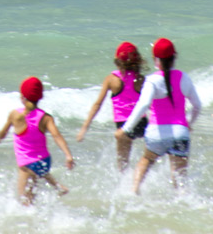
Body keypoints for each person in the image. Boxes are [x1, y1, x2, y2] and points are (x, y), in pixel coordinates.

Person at [117, 37, 201, 193]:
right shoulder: (184, 77)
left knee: (146, 161)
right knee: (180, 178)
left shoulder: (152, 81)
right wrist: (188, 123)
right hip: (180, 133)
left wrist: (126, 129)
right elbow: (197, 106)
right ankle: (182, 201)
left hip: (157, 133)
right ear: (174, 57)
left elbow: (143, 105)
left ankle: (134, 191)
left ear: (156, 60)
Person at [0, 76, 75, 202]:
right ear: (40, 97)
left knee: (25, 200)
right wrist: (68, 155)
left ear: (22, 97)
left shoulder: (15, 115)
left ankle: (32, 218)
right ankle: (58, 187)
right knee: (41, 173)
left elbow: (3, 132)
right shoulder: (45, 117)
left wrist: (0, 136)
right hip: (44, 160)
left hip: (27, 164)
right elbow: (56, 136)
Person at [76, 41, 147, 168]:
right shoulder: (141, 79)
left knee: (122, 164)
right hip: (141, 123)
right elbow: (152, 103)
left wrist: (84, 127)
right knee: (148, 159)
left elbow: (98, 104)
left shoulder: (111, 80)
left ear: (118, 61)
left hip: (123, 126)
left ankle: (125, 185)